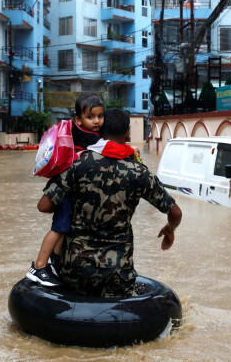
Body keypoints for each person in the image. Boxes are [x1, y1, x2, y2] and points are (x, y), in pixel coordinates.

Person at [37, 108, 182, 297]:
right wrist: (170, 229)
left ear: (99, 133)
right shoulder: (139, 172)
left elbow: (44, 205)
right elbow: (175, 212)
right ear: (128, 134)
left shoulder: (78, 163)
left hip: (74, 271)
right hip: (118, 275)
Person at [26, 94, 136, 286]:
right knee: (59, 228)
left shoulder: (75, 129)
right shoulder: (90, 138)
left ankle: (54, 262)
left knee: (65, 227)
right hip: (67, 189)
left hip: (68, 187)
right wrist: (131, 151)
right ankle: (39, 266)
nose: (96, 121)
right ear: (79, 120)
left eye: (100, 117)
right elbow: (113, 149)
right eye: (91, 117)